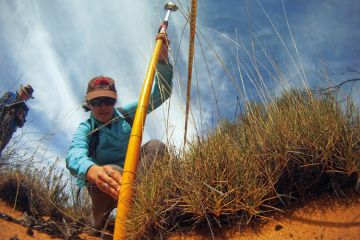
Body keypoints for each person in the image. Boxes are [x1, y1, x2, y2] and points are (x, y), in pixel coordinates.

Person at [66, 33, 173, 233]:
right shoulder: (87, 129)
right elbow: (74, 155)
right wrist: (91, 170)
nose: (103, 107)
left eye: (108, 100)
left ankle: (140, 212)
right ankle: (94, 225)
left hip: (137, 179)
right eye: (96, 102)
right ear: (88, 104)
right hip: (104, 181)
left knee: (156, 146)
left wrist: (162, 61)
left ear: (115, 101)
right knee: (95, 225)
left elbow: (162, 93)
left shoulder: (127, 113)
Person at [0, 84, 34, 157]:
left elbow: (21, 124)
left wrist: (20, 116)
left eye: (27, 95)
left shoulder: (25, 108)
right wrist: (6, 108)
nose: (25, 95)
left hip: (7, 132)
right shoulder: (9, 94)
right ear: (21, 90)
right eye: (24, 92)